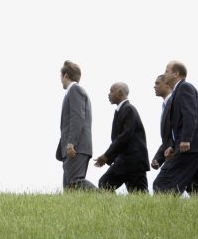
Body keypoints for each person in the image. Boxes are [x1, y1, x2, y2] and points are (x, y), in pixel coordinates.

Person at [153, 61, 198, 197]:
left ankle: (162, 207)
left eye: (167, 71)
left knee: (162, 184)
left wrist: (186, 139)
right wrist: (173, 146)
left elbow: (190, 115)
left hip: (191, 146)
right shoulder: (177, 92)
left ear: (176, 73)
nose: (164, 74)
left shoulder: (184, 87)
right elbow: (179, 125)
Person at [94, 82, 150, 193]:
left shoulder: (128, 109)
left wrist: (106, 156)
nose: (109, 94)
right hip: (123, 163)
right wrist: (108, 157)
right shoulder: (121, 110)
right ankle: (114, 205)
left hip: (134, 164)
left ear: (120, 93)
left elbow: (125, 136)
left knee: (140, 195)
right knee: (105, 183)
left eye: (111, 91)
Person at [56, 60, 97, 191]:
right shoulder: (72, 91)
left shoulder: (75, 90)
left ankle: (104, 196)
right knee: (69, 188)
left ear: (65, 75)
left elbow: (77, 118)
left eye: (60, 76)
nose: (60, 79)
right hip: (74, 147)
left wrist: (71, 143)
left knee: (75, 182)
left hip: (76, 147)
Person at [151, 74, 173, 170]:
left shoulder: (174, 102)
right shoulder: (165, 105)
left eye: (157, 83)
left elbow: (177, 133)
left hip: (184, 151)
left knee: (163, 179)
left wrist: (172, 147)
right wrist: (158, 159)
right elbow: (168, 137)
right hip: (177, 151)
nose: (154, 86)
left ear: (167, 84)